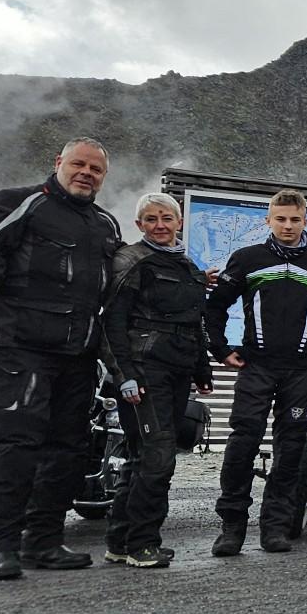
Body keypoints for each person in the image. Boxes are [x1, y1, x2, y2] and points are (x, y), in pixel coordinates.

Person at [0, 137, 121, 579]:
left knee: (69, 450)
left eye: (96, 169)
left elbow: (119, 286)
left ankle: (43, 541)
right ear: (59, 163)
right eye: (79, 164)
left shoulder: (105, 225)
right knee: (17, 446)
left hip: (79, 354)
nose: (86, 173)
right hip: (22, 347)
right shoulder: (18, 203)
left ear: (104, 177)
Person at [205, 189, 307, 555]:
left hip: (302, 371)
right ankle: (232, 528)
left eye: (294, 219)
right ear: (268, 220)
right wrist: (221, 350)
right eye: (281, 219)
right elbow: (215, 307)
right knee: (242, 443)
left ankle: (275, 526)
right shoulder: (246, 259)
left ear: (306, 221)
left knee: (292, 448)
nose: (287, 226)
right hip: (256, 366)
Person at [100, 193, 215, 568]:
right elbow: (113, 322)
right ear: (139, 225)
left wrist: (202, 370)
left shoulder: (184, 265)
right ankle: (143, 545)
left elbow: (192, 321)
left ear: (179, 222)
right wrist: (125, 376)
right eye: (151, 219)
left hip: (177, 370)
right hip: (145, 370)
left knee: (140, 457)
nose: (160, 225)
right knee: (157, 456)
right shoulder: (131, 261)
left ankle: (119, 541)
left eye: (166, 218)